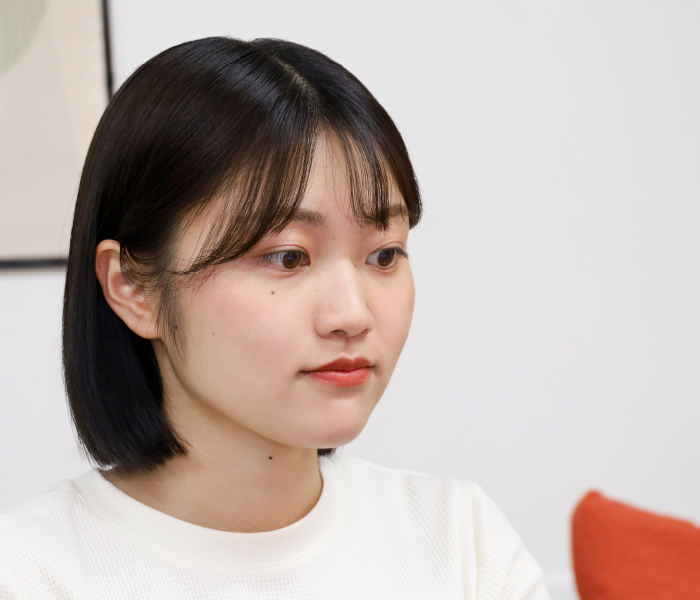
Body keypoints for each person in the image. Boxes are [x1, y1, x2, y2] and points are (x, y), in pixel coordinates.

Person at [0, 37, 550, 599]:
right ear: (133, 287)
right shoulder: (26, 574)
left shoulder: (461, 542)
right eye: (288, 257)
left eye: (384, 255)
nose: (352, 314)